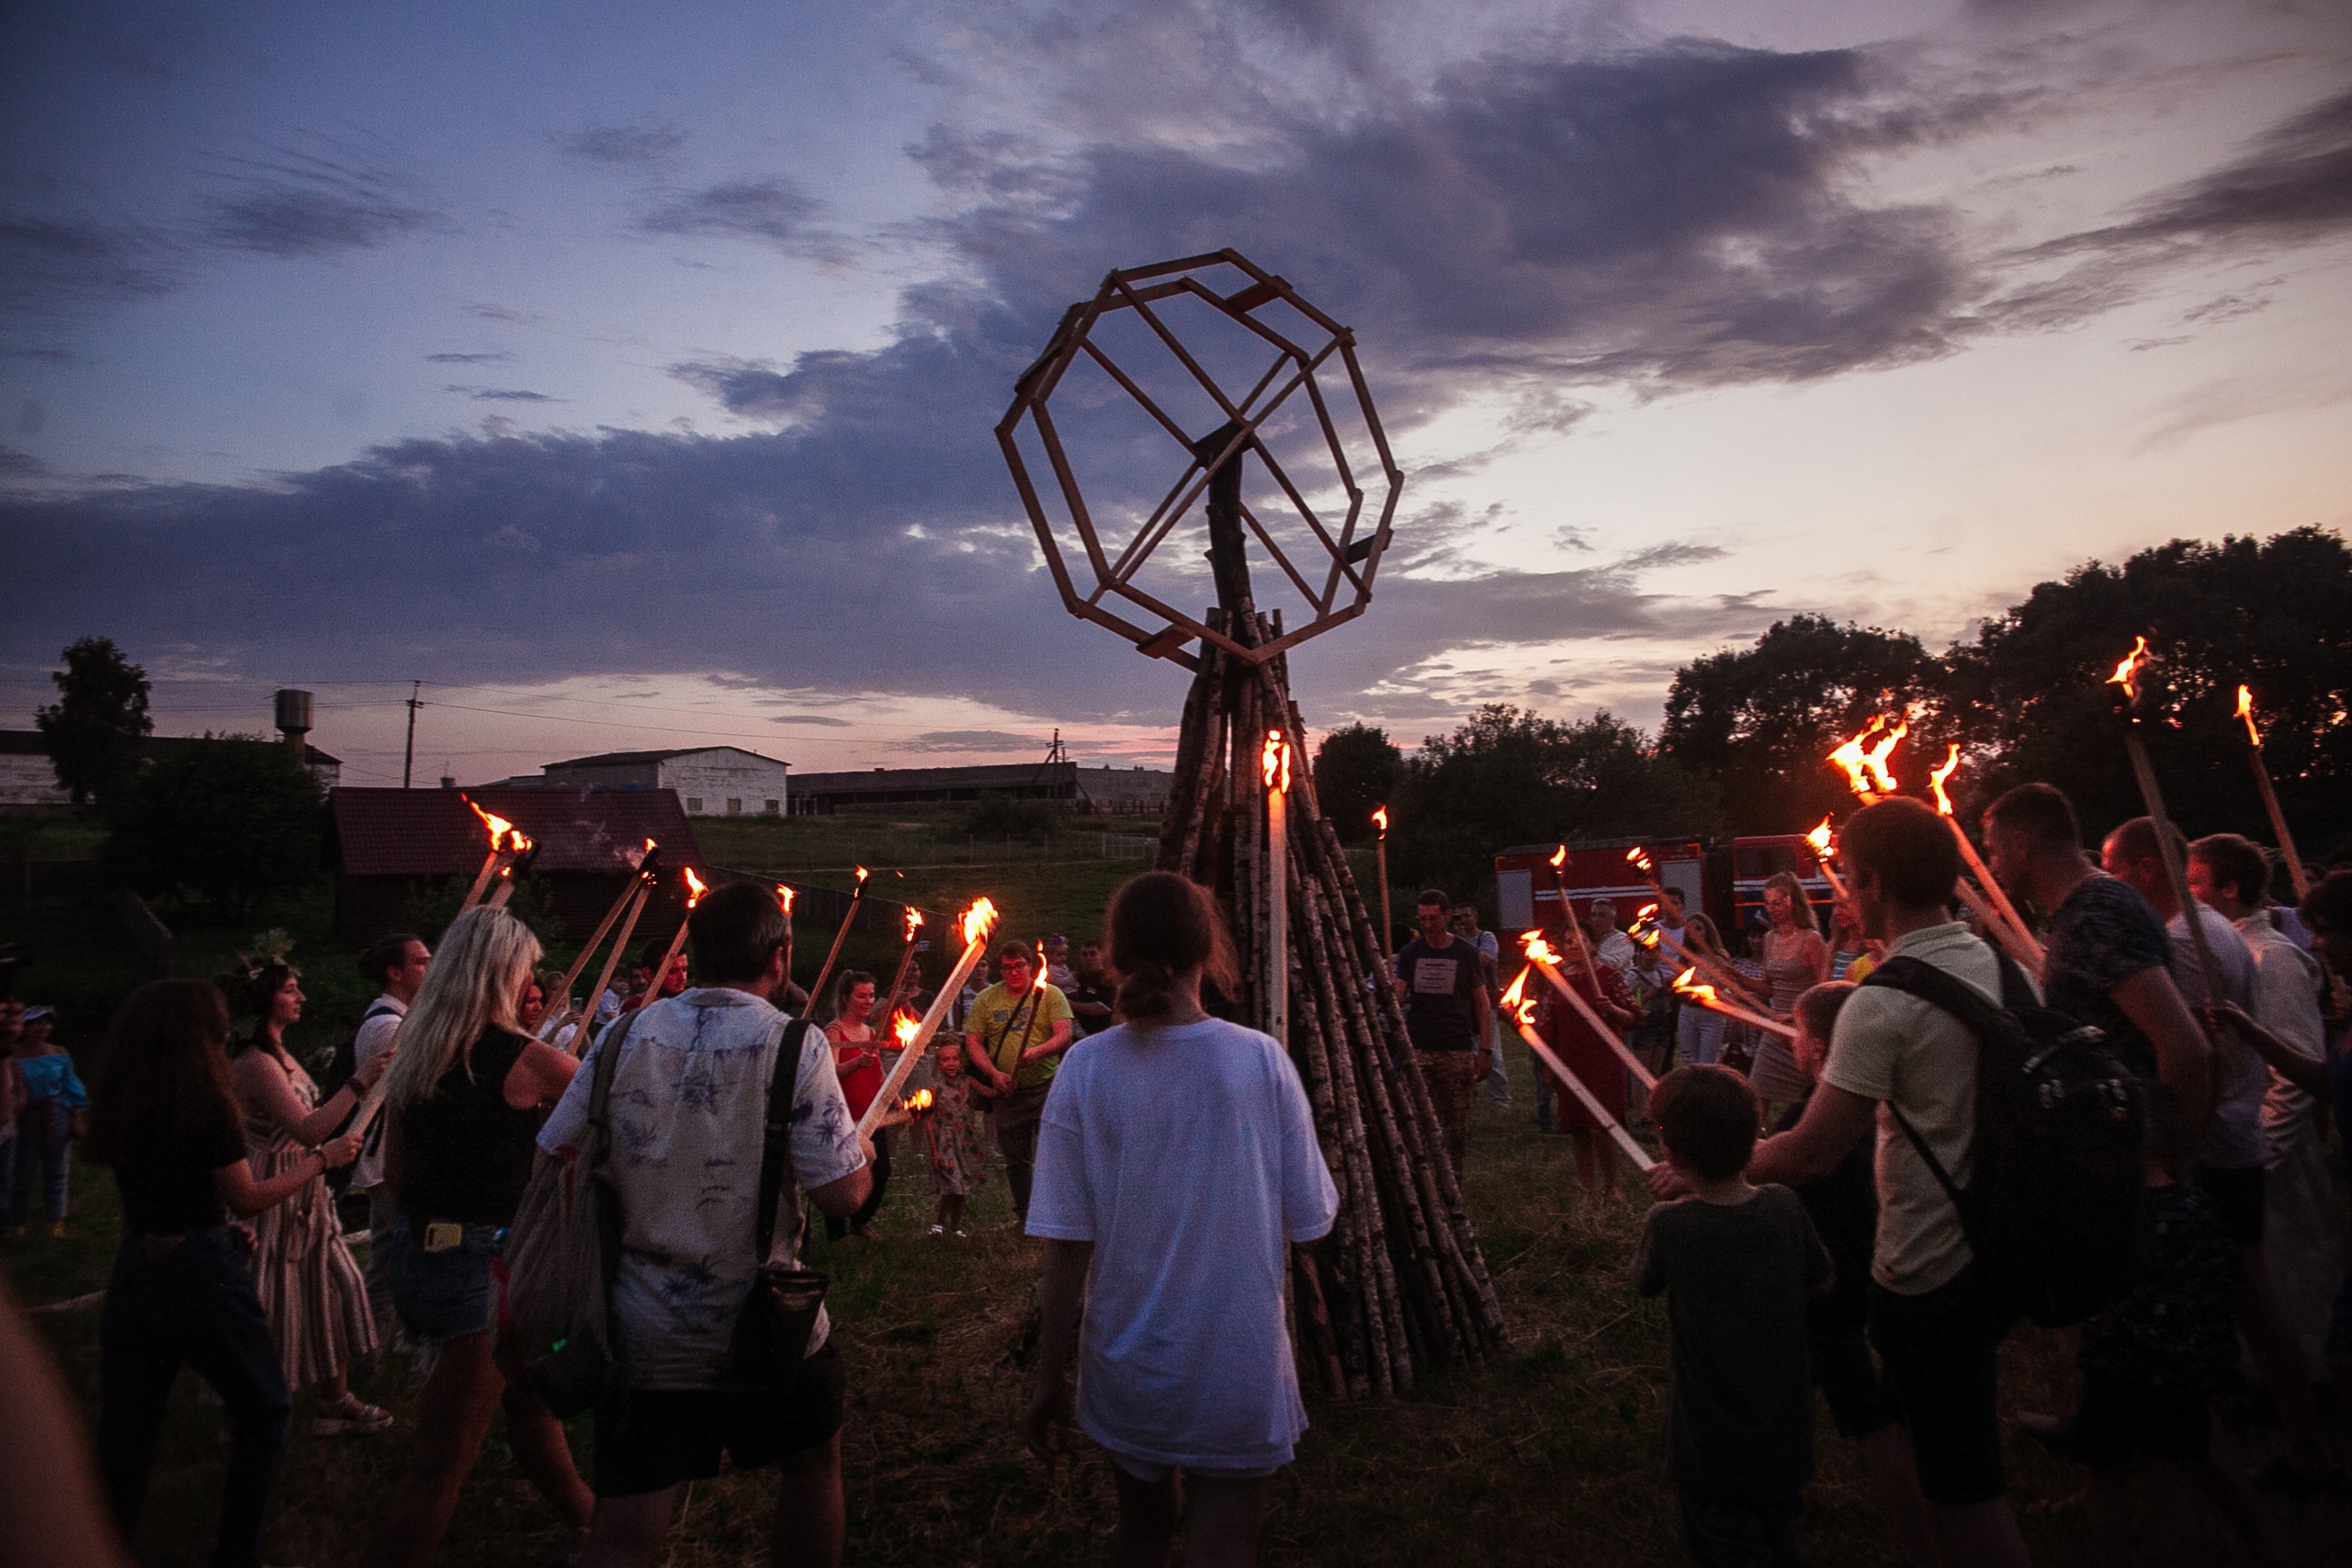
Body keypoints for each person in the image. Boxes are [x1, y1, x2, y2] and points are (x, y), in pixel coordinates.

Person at [1678, 795, 2034, 1568]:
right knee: (1942, 1449)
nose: (1839, 892)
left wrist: (1700, 1172)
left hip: (1927, 1268)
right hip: (1997, 1243)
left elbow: (1811, 1149)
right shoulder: (1995, 959)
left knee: (1969, 1491)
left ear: (1871, 879)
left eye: (1844, 876)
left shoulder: (1883, 1000)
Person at [541, 879, 870, 1568]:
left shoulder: (624, 1034)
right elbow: (844, 1196)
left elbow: (557, 1150)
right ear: (779, 957)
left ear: (695, 949)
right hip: (768, 1323)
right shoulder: (796, 1044)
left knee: (626, 1525)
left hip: (640, 1324)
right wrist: (860, 1152)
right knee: (812, 1468)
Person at [1025, 871, 1339, 1568]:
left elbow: (1065, 1244)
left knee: (1141, 1533)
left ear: (1114, 952)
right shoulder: (1261, 1061)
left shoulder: (1084, 1069)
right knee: (1223, 1546)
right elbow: (1311, 1218)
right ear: (1208, 951)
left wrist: (1049, 1376)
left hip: (1128, 1367)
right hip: (1237, 1363)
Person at [87, 979, 364, 1568]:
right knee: (264, 1409)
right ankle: (237, 1554)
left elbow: (160, 1191)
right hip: (199, 1272)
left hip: (138, 1265)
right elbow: (248, 1198)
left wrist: (203, 1222)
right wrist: (322, 1160)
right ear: (201, 1032)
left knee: (127, 1433)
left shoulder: (123, 1097)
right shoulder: (205, 1100)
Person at [363, 908, 594, 1568]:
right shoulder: (527, 1058)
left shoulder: (415, 1051)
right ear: (501, 974)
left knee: (527, 1400)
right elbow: (611, 1115)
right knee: (441, 1462)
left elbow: (398, 1171)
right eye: (523, 969)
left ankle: (593, 1523)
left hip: (420, 1253)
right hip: (482, 1267)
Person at [2012, 1081, 2245, 1568]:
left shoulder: (2106, 1217)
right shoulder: (2197, 1212)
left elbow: (2071, 1288)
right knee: (2171, 1487)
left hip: (2113, 1375)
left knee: (2104, 1480)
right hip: (2181, 1379)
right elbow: (2222, 1295)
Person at [1633, 1064, 1832, 1568]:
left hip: (1710, 1440)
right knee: (1782, 1532)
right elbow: (1823, 1279)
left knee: (1726, 1545)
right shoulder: (1784, 1205)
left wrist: (1673, 1205)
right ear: (1756, 1134)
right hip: (1784, 1425)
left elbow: (1643, 1283)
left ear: (1671, 1152)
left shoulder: (1671, 1225)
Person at [1779, 983, 1940, 1568]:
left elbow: (1792, 1162)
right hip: (1870, 1264)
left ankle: (1920, 1543)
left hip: (1830, 1286)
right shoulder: (1883, 1099)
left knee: (1871, 1419)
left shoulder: (1812, 1117)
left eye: (1799, 1033)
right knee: (1791, 1390)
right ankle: (1785, 1496)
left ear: (1819, 1047)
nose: (1794, 1043)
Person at [2190, 835, 2345, 1411]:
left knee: (2291, 1268)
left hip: (2274, 1151)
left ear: (2231, 888)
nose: (2191, 898)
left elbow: (2296, 1067)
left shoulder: (2270, 957)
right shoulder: (2231, 949)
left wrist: (2260, 1153)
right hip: (2248, 1145)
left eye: (2199, 885)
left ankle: (2312, 1384)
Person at [1981, 783, 2212, 1158]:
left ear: (2021, 845)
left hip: (2133, 1160)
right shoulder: (2087, 908)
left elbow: (2185, 1047)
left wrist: (2165, 1160)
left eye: (1992, 851)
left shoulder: (2096, 914)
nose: (1990, 865)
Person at [224, 952, 390, 1436]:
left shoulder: (282, 1053)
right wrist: (362, 1081)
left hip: (307, 1187)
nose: (301, 997)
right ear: (265, 1000)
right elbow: (309, 1129)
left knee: (337, 1287)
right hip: (273, 1185)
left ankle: (334, 1400)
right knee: (270, 1300)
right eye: (290, 989)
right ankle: (242, 1411)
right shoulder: (254, 1062)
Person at [348, 931, 431, 1345]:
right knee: (391, 1255)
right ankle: (367, 1346)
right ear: (394, 972)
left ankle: (392, 1338)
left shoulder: (404, 1020)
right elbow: (413, 1092)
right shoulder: (387, 1026)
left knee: (400, 1249)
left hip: (395, 1154)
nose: (429, 969)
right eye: (420, 962)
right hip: (386, 1155)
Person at [964, 940, 1074, 1225]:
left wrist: (1038, 1051)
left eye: (1019, 966)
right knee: (1016, 1160)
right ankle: (1026, 1215)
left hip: (1046, 1086)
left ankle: (1058, 1214)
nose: (1013, 972)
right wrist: (994, 1074)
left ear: (1030, 966)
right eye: (1006, 968)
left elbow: (1064, 1034)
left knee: (1055, 1154)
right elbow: (973, 1042)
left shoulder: (1049, 995)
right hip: (1007, 1093)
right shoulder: (987, 1000)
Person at [1390, 890, 1491, 1173]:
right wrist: (1389, 994)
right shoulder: (1411, 953)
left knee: (1455, 1123)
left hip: (1456, 1047)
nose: (1428, 924)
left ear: (1447, 916)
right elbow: (1399, 993)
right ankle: (1422, 1181)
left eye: (1434, 918)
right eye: (1423, 918)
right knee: (1418, 1118)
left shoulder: (1465, 953)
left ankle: (1453, 1177)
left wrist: (1485, 1049)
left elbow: (1481, 1002)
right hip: (1420, 1046)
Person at [1532, 932, 1640, 1200]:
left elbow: (1634, 1017)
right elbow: (1550, 1027)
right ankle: (1588, 1189)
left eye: (1580, 940)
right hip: (1572, 1060)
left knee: (1601, 1127)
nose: (1574, 946)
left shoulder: (1609, 977)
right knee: (1578, 1127)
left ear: (1593, 944)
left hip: (1603, 1059)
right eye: (1568, 941)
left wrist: (1613, 1009)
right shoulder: (1559, 981)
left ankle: (1610, 1185)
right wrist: (1549, 1065)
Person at [6, 1004, 87, 1240]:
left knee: (57, 1167)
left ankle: (56, 1220)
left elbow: (71, 1085)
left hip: (56, 1112)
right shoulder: (13, 1055)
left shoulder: (58, 1053)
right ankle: (18, 1221)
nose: (42, 1028)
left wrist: (76, 1115)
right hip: (24, 1118)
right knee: (22, 1170)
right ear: (24, 1027)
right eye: (36, 1024)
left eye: (46, 1023)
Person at [1747, 872, 1827, 1111]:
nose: (1772, 908)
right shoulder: (1769, 938)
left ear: (1794, 902)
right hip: (1775, 1027)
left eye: (1778, 902)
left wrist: (1801, 1016)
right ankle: (1756, 1141)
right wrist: (1732, 976)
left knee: (1813, 1098)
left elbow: (1823, 989)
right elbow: (1767, 987)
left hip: (1804, 1027)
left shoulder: (1811, 939)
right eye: (1768, 903)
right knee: (1756, 1091)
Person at [822, 971, 893, 1241]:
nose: (867, 1001)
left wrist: (894, 1099)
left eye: (871, 996)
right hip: (845, 1114)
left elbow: (878, 1071)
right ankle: (836, 1232)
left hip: (872, 1113)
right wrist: (855, 1063)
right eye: (861, 996)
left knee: (881, 1169)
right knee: (842, 1172)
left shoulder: (871, 1033)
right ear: (846, 997)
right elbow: (830, 1071)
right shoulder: (834, 1030)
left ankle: (860, 1221)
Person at [922, 1016, 986, 1238]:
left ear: (962, 1060)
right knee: (952, 1185)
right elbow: (928, 1120)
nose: (951, 1063)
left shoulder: (969, 1082)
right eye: (945, 1060)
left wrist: (1008, 1081)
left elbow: (993, 1092)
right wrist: (934, 1151)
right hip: (946, 1141)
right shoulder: (934, 1089)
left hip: (965, 1140)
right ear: (938, 1064)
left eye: (955, 1058)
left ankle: (956, 1226)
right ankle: (938, 1224)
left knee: (962, 1187)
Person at [1453, 903, 1509, 1109]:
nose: (1464, 920)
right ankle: (1469, 1093)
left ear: (1475, 917)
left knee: (1491, 1048)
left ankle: (1501, 1097)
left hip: (1485, 999)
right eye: (1460, 917)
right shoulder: (1455, 941)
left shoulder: (1486, 937)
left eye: (1467, 916)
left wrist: (1463, 944)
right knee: (1466, 1050)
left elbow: (1485, 959)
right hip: (1463, 1002)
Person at [1672, 914, 1732, 1070]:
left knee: (1707, 1063)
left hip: (1711, 1014)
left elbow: (1720, 986)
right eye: (1691, 929)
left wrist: (1700, 989)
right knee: (1689, 1061)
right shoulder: (1685, 957)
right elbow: (1678, 986)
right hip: (1688, 1013)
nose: (1695, 933)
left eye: (1699, 928)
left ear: (1708, 930)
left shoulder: (1718, 957)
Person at [1065, 938, 1116, 1039]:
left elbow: (1103, 1008)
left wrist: (1070, 1004)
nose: (1088, 958)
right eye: (1084, 954)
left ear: (1101, 955)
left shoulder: (1106, 979)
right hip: (1076, 1036)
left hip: (1099, 1036)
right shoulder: (1077, 977)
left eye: (1093, 954)